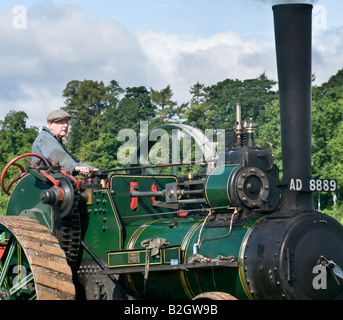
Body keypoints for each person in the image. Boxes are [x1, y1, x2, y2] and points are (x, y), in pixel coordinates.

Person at [32, 109, 97, 175]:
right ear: (50, 124)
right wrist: (76, 167)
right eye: (61, 122)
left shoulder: (55, 140)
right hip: (45, 182)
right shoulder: (46, 138)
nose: (66, 125)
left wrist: (94, 169)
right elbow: (60, 158)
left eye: (67, 122)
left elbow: (74, 161)